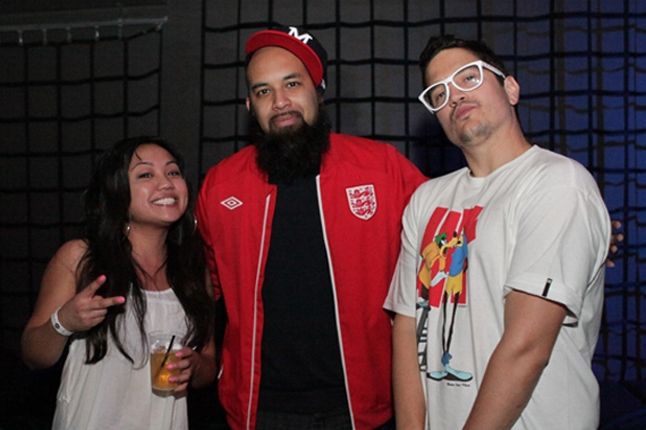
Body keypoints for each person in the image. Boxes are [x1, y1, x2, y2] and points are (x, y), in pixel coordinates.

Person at [195, 25, 426, 429]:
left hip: (365, 407)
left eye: (292, 84)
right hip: (259, 411)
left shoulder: (383, 169)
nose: (280, 102)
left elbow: (445, 247)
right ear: (250, 105)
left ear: (319, 91)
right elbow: (198, 286)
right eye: (263, 91)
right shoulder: (220, 185)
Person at [385, 35, 612, 429]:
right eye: (439, 93)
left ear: (511, 89)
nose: (454, 96)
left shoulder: (558, 184)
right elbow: (406, 327)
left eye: (468, 77)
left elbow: (526, 348)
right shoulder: (425, 199)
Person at [21, 136, 216, 430]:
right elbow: (33, 355)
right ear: (117, 192)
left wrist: (195, 366)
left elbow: (209, 363)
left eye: (173, 172)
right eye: (146, 175)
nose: (166, 183)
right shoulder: (80, 258)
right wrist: (65, 321)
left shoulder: (193, 270)